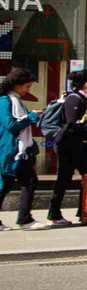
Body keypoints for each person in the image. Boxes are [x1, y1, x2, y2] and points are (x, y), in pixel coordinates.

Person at [47, 68, 87, 226]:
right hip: (69, 146)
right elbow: (73, 125)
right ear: (86, 84)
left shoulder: (84, 99)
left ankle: (84, 211)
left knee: (85, 178)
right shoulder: (75, 99)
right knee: (70, 179)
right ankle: (57, 214)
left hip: (78, 146)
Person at [0, 68, 42, 230]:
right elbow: (11, 125)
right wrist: (31, 117)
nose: (28, 90)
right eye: (27, 86)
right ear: (17, 85)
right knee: (12, 183)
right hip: (11, 150)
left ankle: (25, 218)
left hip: (18, 151)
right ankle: (25, 219)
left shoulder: (15, 101)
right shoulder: (5, 102)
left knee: (18, 182)